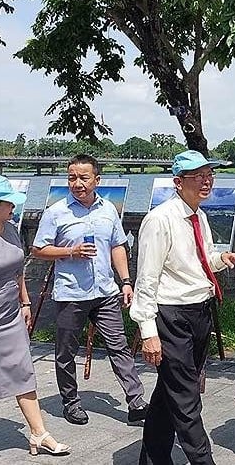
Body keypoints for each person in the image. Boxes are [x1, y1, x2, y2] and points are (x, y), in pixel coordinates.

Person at [130, 151, 235, 465]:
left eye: (210, 174)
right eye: (199, 175)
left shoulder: (199, 216)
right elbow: (147, 279)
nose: (207, 180)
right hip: (171, 315)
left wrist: (224, 259)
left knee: (171, 391)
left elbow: (203, 259)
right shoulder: (160, 220)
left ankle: (152, 457)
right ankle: (202, 460)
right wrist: (148, 331)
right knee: (186, 397)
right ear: (178, 182)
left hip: (199, 312)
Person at [31, 154, 147, 425]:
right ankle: (71, 402)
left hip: (105, 291)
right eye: (72, 177)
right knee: (66, 352)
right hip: (71, 293)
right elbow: (38, 249)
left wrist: (126, 281)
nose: (77, 183)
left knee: (118, 346)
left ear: (97, 180)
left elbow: (118, 245)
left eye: (84, 177)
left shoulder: (107, 209)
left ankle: (136, 401)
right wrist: (70, 251)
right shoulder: (56, 212)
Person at [0, 174, 71, 459]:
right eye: (9, 204)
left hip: (10, 314)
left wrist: (25, 302)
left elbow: (18, 270)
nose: (14, 209)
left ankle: (38, 432)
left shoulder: (10, 229)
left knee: (23, 370)